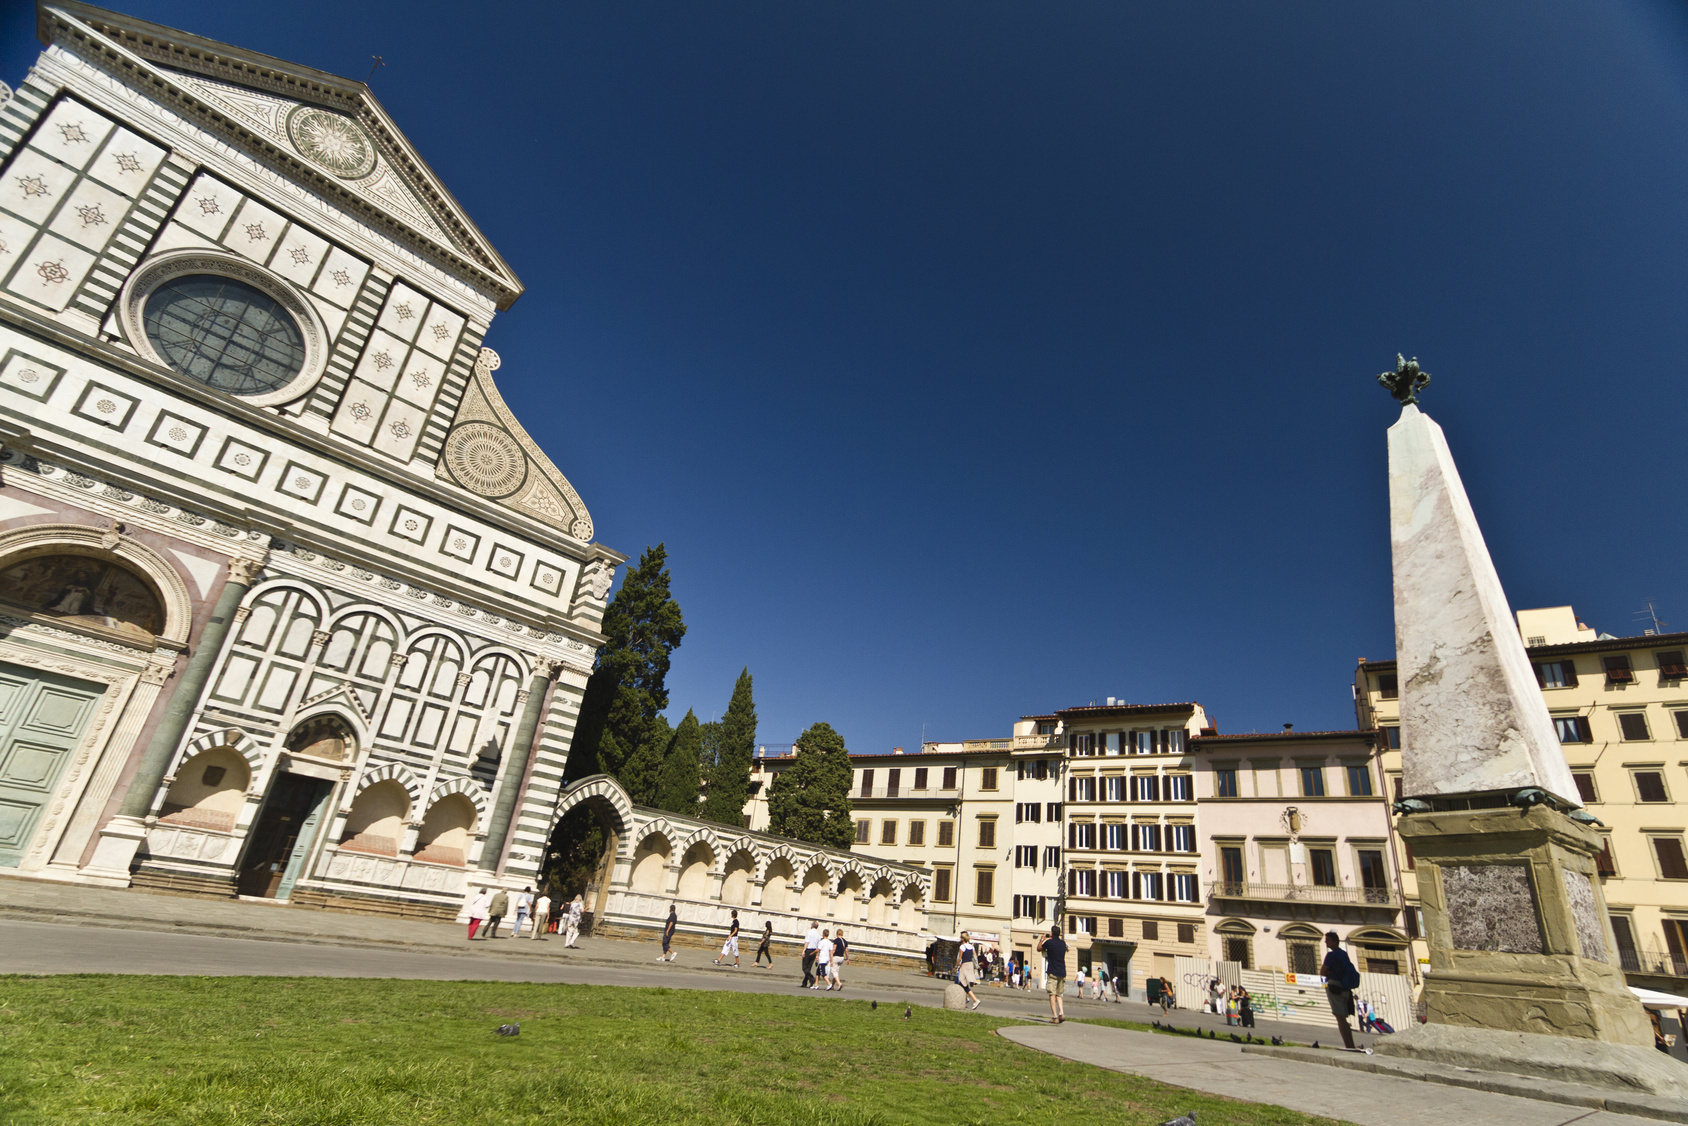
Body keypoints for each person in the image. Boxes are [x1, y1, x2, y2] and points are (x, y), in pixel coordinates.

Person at [1321, 931, 1361, 1050]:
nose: (1326, 942)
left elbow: (1323, 972)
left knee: (1340, 1018)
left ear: (1334, 941)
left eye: (1327, 940)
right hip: (1345, 987)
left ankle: (1348, 1046)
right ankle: (1351, 1045)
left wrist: (1325, 986)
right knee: (1343, 1017)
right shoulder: (1343, 954)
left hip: (1333, 986)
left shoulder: (1331, 955)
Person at [1036, 925, 1068, 1024]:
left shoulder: (1049, 942)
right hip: (1062, 972)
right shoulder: (1063, 943)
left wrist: (1042, 939)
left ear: (1052, 933)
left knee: (1052, 994)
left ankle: (1054, 1016)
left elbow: (1039, 948)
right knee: (1059, 994)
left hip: (1053, 971)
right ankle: (1061, 1013)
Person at [955, 931, 982, 1010]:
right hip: (970, 965)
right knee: (964, 982)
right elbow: (975, 956)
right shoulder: (971, 946)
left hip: (965, 965)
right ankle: (965, 998)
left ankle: (975, 1000)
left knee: (962, 983)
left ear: (963, 939)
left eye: (961, 937)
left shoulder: (962, 947)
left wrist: (957, 965)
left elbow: (960, 958)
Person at [801, 922, 822, 988]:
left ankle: (812, 979)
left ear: (812, 925)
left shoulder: (809, 932)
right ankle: (804, 983)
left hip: (809, 950)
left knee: (804, 967)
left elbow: (807, 942)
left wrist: (804, 950)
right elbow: (818, 946)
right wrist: (817, 955)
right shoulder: (818, 935)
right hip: (814, 951)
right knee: (809, 968)